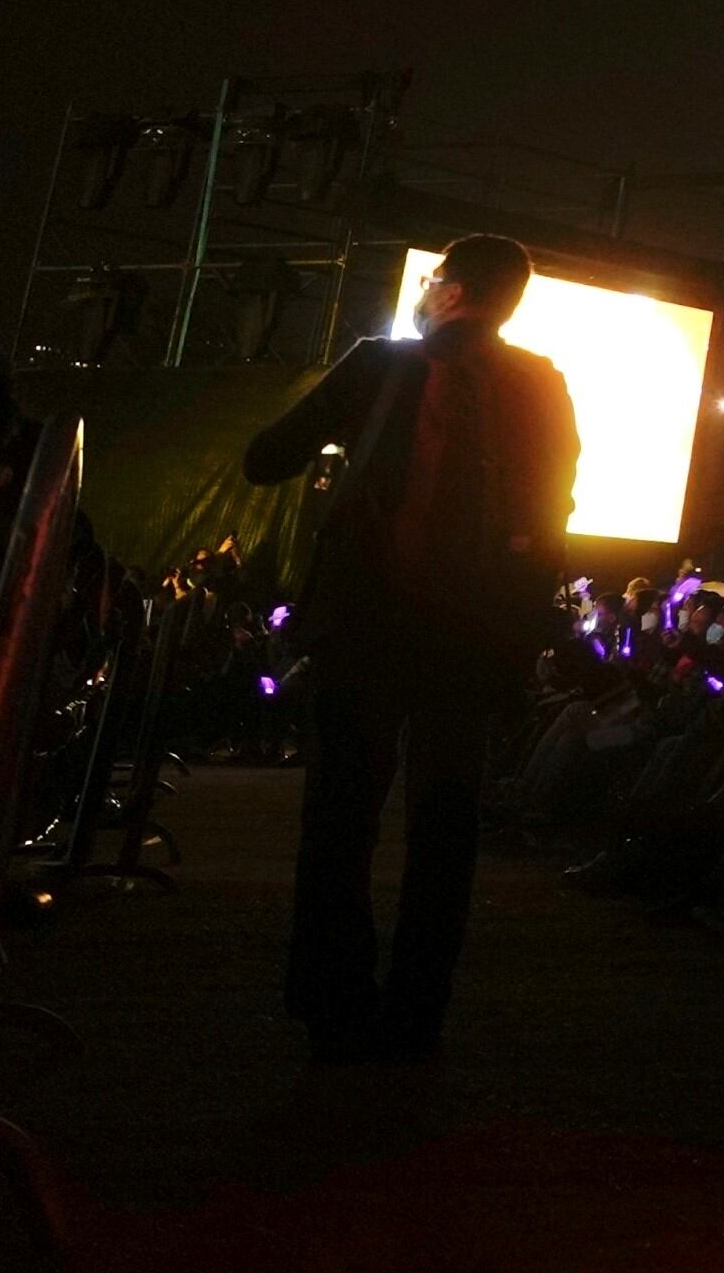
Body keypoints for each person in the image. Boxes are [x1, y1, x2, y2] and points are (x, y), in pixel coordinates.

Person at [243, 233, 582, 1063]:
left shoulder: (377, 364)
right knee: (446, 829)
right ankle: (418, 1013)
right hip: (474, 638)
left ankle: (333, 1002)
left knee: (341, 818)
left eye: (432, 279)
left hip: (367, 627)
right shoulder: (542, 381)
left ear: (456, 290)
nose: (425, 289)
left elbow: (264, 461)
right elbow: (557, 497)